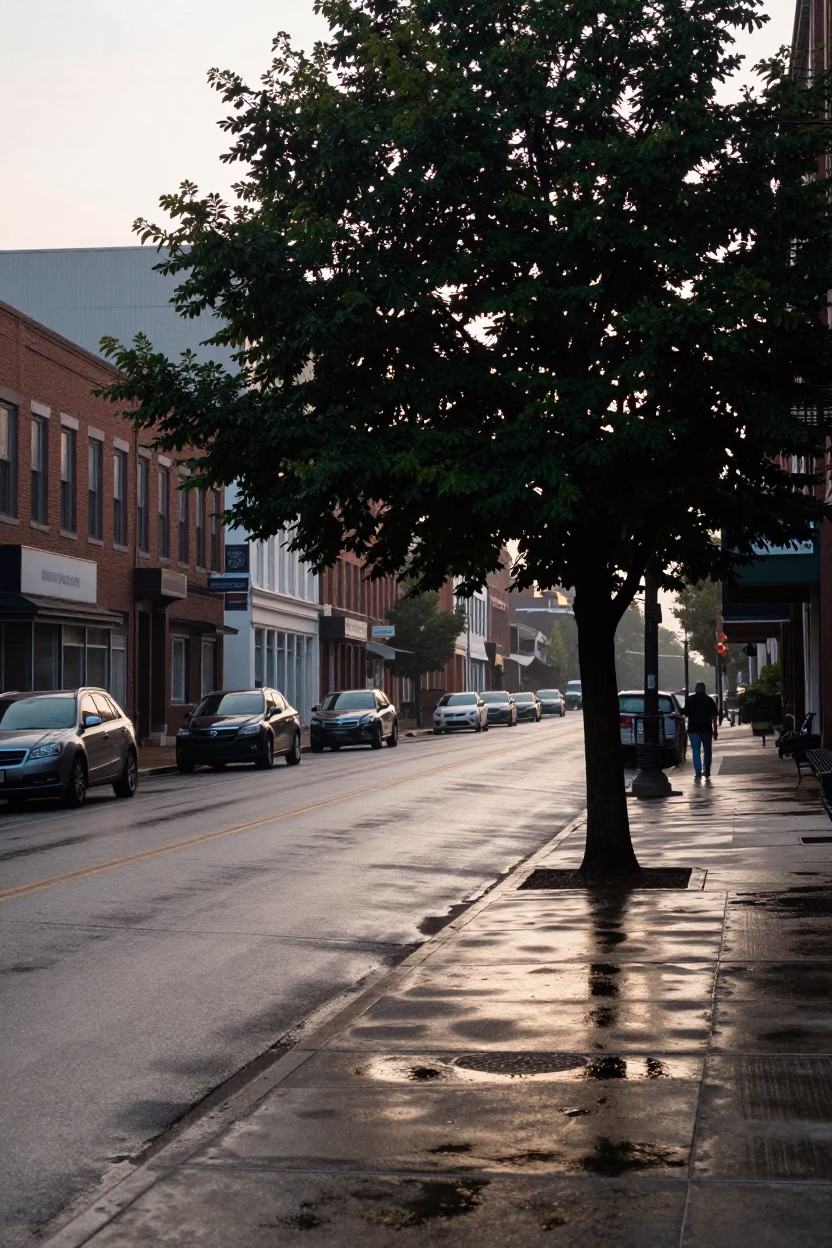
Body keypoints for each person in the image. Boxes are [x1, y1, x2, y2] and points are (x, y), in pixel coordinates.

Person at [683, 682, 718, 779]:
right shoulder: (709, 700)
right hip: (706, 729)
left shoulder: (690, 699)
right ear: (704, 689)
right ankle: (707, 770)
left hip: (693, 730)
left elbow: (685, 713)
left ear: (696, 689)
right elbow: (714, 716)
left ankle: (698, 771)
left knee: (696, 751)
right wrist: (715, 730)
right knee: (707, 750)